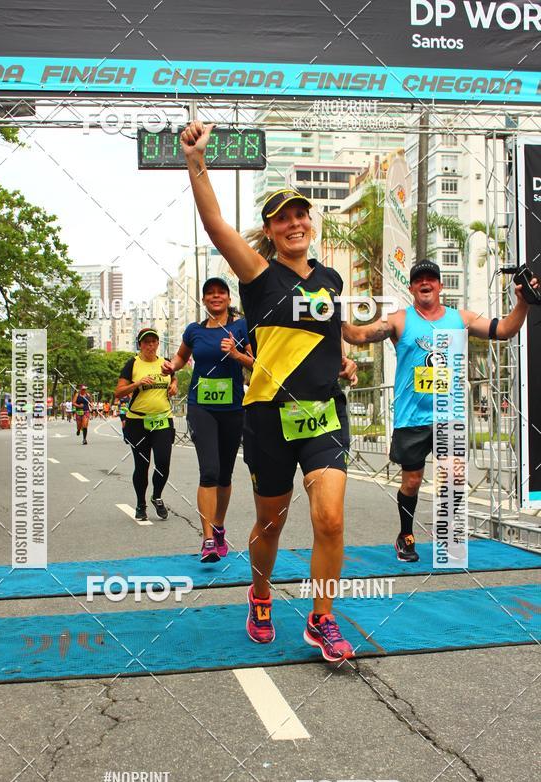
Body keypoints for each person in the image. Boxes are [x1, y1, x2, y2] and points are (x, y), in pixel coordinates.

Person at [181, 121, 358, 663]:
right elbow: (215, 225)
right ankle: (259, 594)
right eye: (283, 217)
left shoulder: (331, 280)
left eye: (301, 214)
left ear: (311, 222)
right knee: (270, 522)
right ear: (271, 230)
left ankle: (321, 618)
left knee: (329, 518)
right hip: (266, 414)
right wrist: (196, 160)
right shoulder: (258, 275)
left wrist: (344, 359)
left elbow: (328, 334)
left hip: (323, 413)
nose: (295, 222)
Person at [343, 258, 533, 562]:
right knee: (413, 481)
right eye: (419, 279)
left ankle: (450, 542)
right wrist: (332, 315)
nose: (425, 283)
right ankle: (405, 535)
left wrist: (522, 302)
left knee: (453, 479)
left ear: (441, 286)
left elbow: (506, 329)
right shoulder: (400, 319)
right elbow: (358, 335)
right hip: (412, 417)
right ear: (411, 287)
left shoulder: (461, 319)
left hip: (449, 416)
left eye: (431, 278)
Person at [162, 276, 254, 562]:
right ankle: (207, 540)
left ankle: (218, 526)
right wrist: (171, 366)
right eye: (210, 293)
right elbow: (181, 358)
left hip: (232, 408)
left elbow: (256, 363)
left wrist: (236, 354)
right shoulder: (193, 331)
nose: (215, 297)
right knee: (209, 471)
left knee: (224, 475)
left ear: (228, 298)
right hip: (200, 406)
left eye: (221, 293)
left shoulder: (241, 327)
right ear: (203, 300)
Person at [115, 326, 178, 521]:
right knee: (142, 465)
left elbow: (173, 379)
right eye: (146, 342)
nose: (150, 345)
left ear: (158, 343)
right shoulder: (132, 364)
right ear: (140, 345)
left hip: (162, 420)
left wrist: (174, 386)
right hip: (137, 422)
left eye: (153, 342)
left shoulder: (165, 363)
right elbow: (119, 392)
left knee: (163, 463)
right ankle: (140, 503)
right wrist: (137, 383)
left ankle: (156, 496)